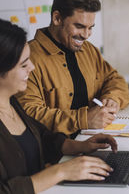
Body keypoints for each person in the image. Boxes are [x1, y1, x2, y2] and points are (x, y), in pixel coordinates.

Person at [0, 18, 118, 193]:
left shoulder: (12, 102)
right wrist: (61, 171)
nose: (32, 67)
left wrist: (79, 146)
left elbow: (41, 138)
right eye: (23, 64)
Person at [16, 0, 129, 136]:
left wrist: (112, 98)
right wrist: (82, 119)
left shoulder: (89, 50)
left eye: (91, 27)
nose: (86, 35)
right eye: (79, 26)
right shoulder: (27, 58)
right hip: (58, 151)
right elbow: (28, 114)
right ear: (57, 18)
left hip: (95, 136)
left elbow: (114, 79)